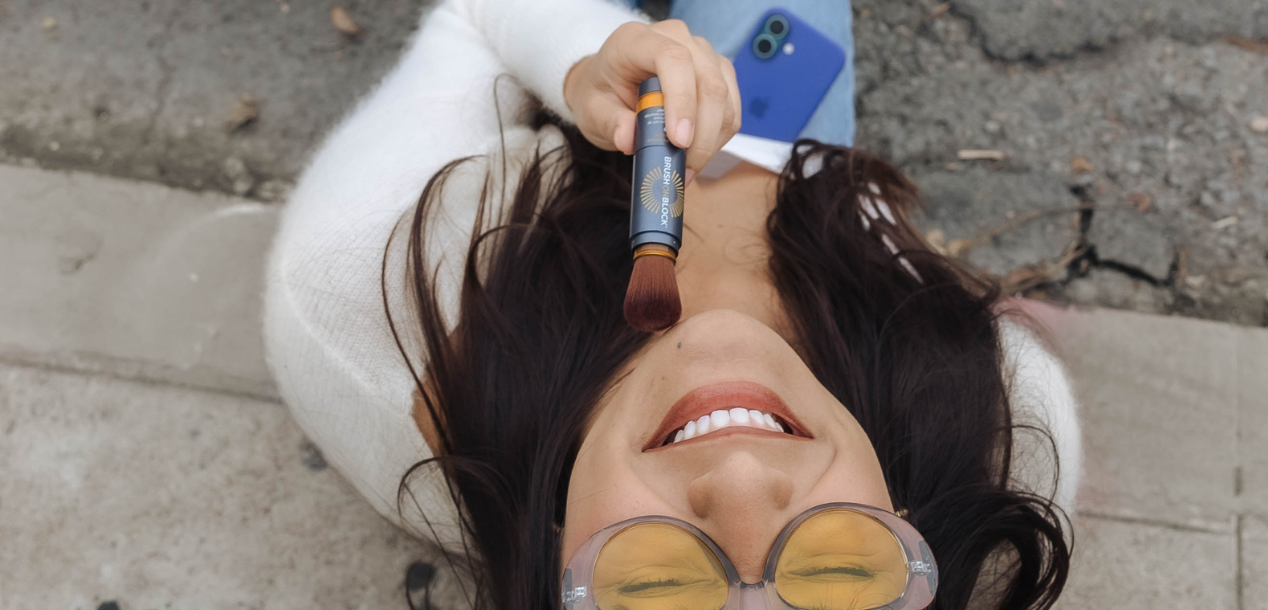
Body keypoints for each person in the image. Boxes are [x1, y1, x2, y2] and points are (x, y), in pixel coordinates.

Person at [263, 0, 1082, 608]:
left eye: (656, 581)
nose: (739, 475)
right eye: (834, 572)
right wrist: (771, 165)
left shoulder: (359, 298)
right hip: (795, 150)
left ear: (554, 566)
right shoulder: (1003, 420)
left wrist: (587, 60)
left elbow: (477, 15)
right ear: (910, 534)